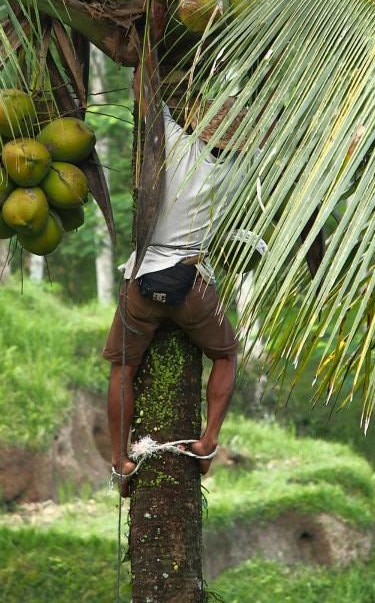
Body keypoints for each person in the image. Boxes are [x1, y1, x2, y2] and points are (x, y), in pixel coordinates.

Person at [102, 103, 238, 495]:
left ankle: (120, 459)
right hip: (191, 284)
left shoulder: (176, 145)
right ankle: (208, 440)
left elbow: (149, 92)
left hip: (144, 278)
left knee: (123, 367)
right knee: (226, 355)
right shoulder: (241, 169)